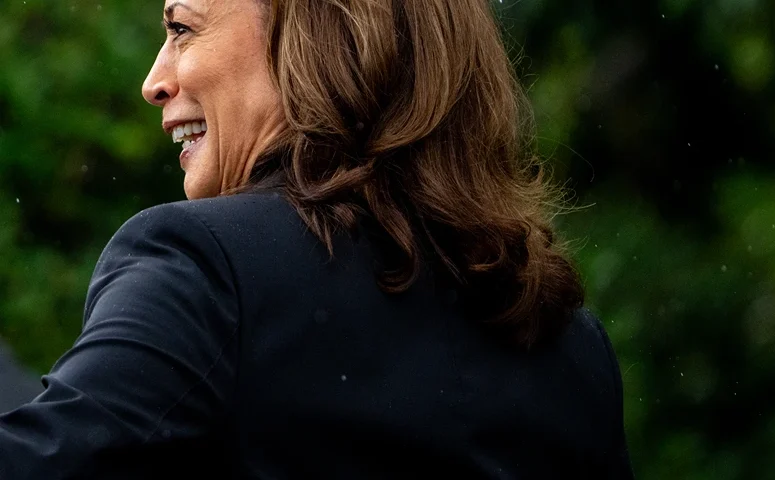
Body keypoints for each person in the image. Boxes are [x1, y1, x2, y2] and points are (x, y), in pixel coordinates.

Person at [0, 0, 634, 478]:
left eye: (181, 29)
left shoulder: (206, 267)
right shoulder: (571, 347)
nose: (154, 80)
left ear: (314, 35)